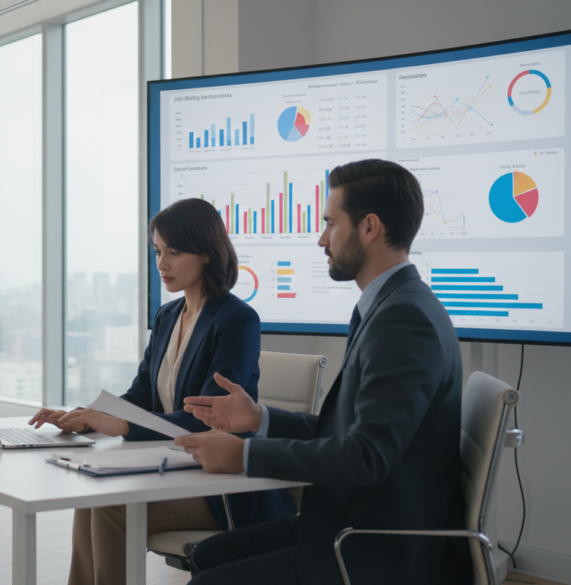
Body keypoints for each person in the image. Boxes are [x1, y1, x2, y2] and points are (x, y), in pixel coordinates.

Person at [177, 159, 472, 585]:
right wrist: (259, 419)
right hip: (348, 522)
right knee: (209, 555)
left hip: (377, 545)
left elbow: (366, 456)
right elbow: (349, 432)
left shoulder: (403, 319)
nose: (321, 239)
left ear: (369, 227)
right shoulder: (392, 305)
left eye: (331, 223)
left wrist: (244, 455)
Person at [29, 199, 296, 585]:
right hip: (169, 468)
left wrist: (123, 425)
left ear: (206, 253)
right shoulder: (167, 315)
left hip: (221, 484)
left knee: (112, 507)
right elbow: (140, 395)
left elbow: (210, 418)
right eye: (157, 251)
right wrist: (88, 418)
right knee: (89, 500)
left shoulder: (237, 319)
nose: (161, 264)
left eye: (174, 252)